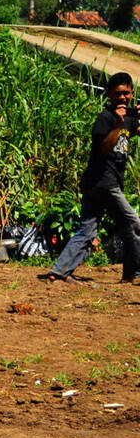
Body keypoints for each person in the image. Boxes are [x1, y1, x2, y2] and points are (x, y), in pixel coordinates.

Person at [43, 73, 140, 284]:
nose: (122, 98)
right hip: (104, 183)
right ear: (109, 95)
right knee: (133, 224)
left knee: (88, 229)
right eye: (118, 94)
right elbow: (104, 149)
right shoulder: (105, 118)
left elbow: (137, 130)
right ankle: (134, 273)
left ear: (132, 93)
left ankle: (60, 271)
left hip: (98, 184)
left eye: (126, 93)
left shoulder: (130, 118)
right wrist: (117, 125)